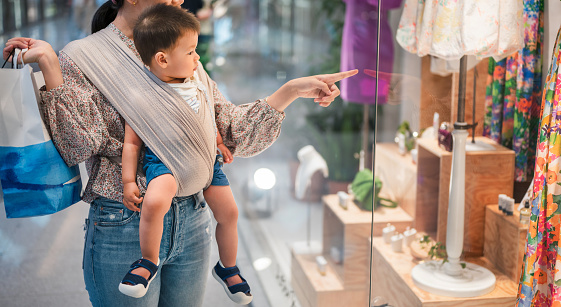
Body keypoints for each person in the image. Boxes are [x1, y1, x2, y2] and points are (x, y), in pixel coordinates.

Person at [2, 0, 357, 305]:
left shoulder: (182, 53)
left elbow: (231, 130)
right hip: (124, 220)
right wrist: (50, 66)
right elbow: (79, 146)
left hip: (194, 214)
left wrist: (290, 92)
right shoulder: (82, 58)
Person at [118, 5, 250, 304]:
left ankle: (227, 266)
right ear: (162, 59)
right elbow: (132, 144)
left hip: (206, 162)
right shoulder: (142, 94)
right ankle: (148, 262)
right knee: (154, 202)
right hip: (165, 163)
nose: (197, 57)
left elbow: (205, 120)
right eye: (190, 51)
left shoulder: (197, 85)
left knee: (229, 213)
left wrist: (218, 141)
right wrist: (128, 181)